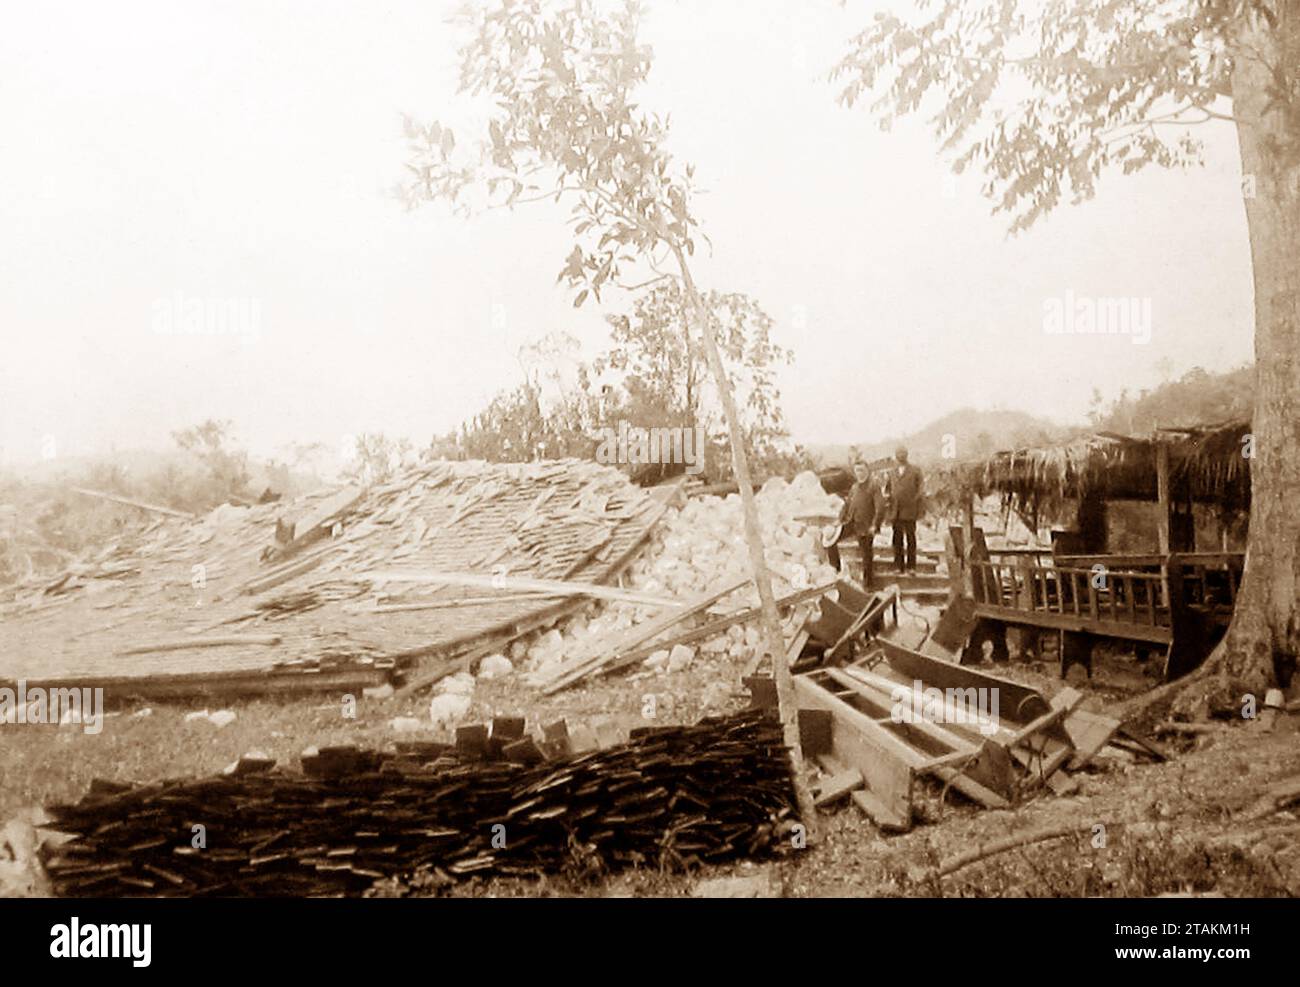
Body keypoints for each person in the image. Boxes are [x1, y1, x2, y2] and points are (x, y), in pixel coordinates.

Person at [825, 461, 884, 588]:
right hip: (851, 523)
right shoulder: (854, 487)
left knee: (866, 555)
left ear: (867, 471)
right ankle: (836, 570)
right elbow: (846, 506)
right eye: (857, 471)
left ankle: (869, 585)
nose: (860, 473)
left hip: (866, 526)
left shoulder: (874, 486)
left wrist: (875, 525)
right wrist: (839, 520)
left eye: (862, 470)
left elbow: (880, 508)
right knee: (831, 542)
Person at [886, 445, 924, 573]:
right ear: (896, 455)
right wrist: (889, 499)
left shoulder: (915, 470)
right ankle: (898, 566)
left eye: (903, 453)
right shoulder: (891, 472)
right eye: (898, 453)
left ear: (907, 454)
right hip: (895, 510)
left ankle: (911, 566)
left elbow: (920, 489)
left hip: (910, 510)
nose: (901, 455)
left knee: (910, 538)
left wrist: (914, 501)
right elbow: (887, 489)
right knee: (897, 539)